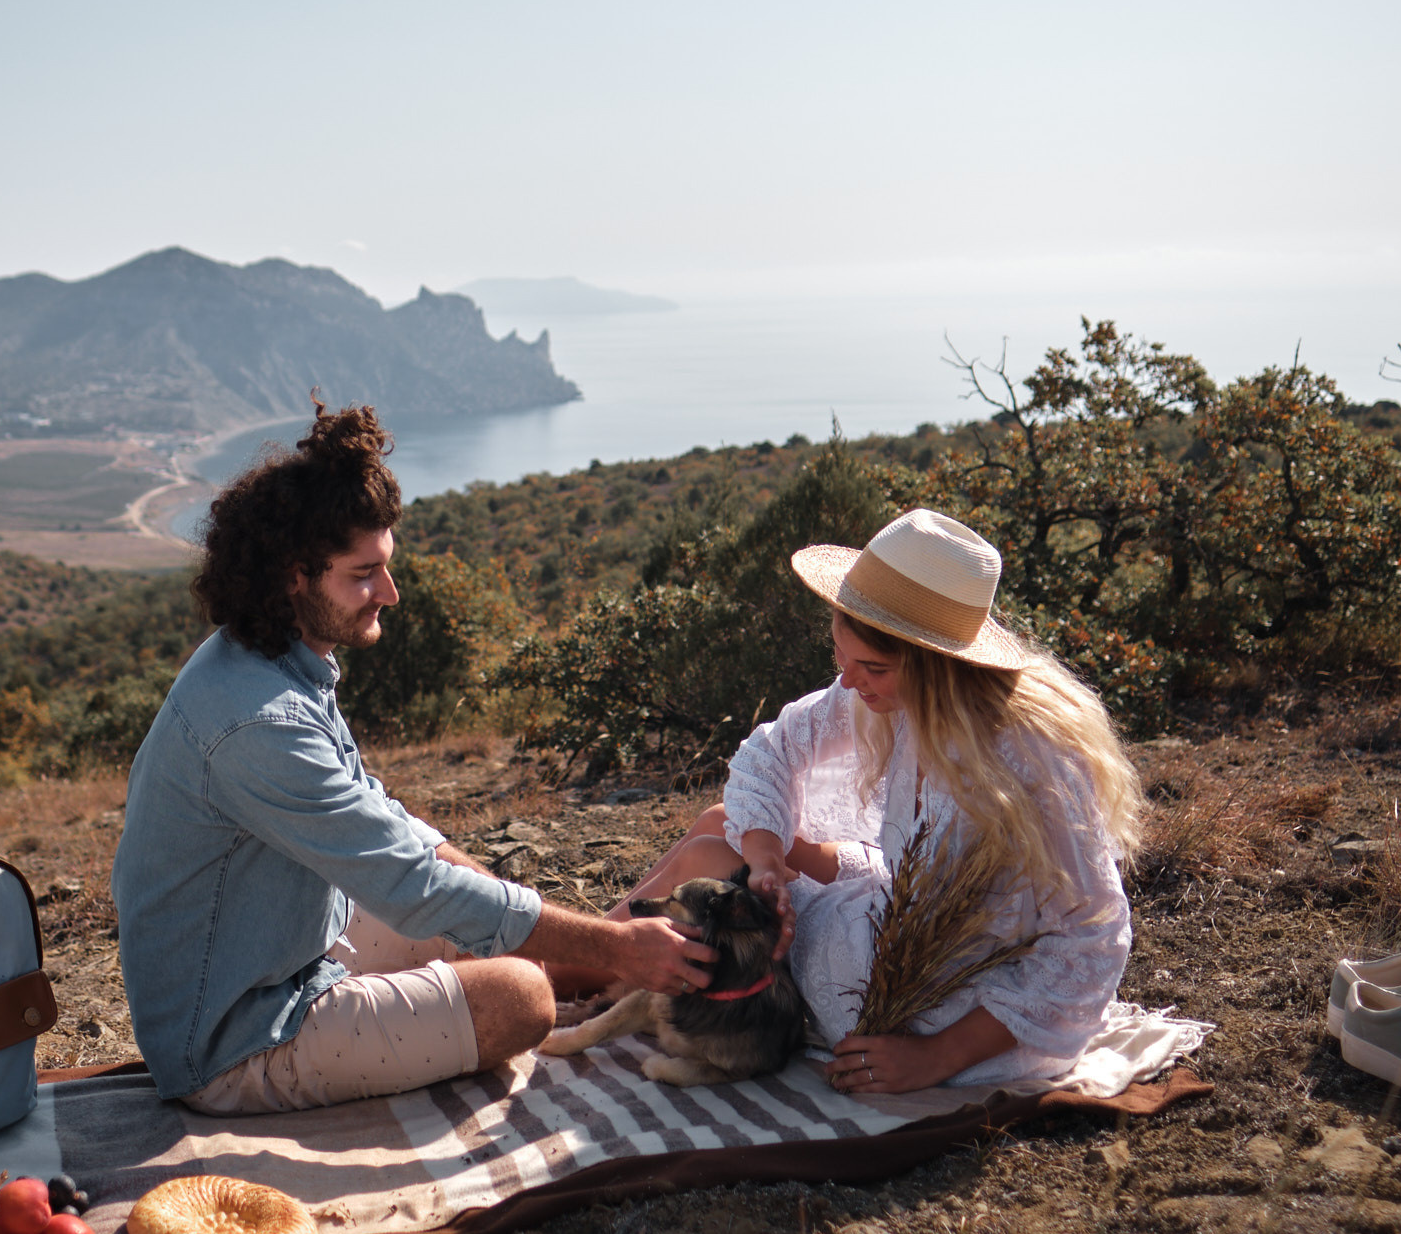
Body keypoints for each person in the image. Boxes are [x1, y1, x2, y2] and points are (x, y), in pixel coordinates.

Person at [111, 404, 717, 1114]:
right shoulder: (259, 722)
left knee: (488, 916)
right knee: (523, 998)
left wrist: (595, 938)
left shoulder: (280, 657)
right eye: (364, 574)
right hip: (230, 1038)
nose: (389, 594)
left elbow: (395, 832)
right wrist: (614, 947)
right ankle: (623, 960)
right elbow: (410, 884)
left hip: (284, 946)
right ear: (293, 577)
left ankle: (624, 959)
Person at [602, 507, 1143, 1098]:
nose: (850, 681)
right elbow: (773, 751)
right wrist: (765, 864)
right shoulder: (899, 694)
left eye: (872, 667)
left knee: (708, 853)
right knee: (731, 829)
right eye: (842, 657)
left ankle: (564, 964)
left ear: (938, 664)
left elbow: (1092, 937)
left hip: (938, 1006)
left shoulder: (1029, 760)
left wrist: (936, 1056)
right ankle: (582, 960)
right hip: (896, 906)